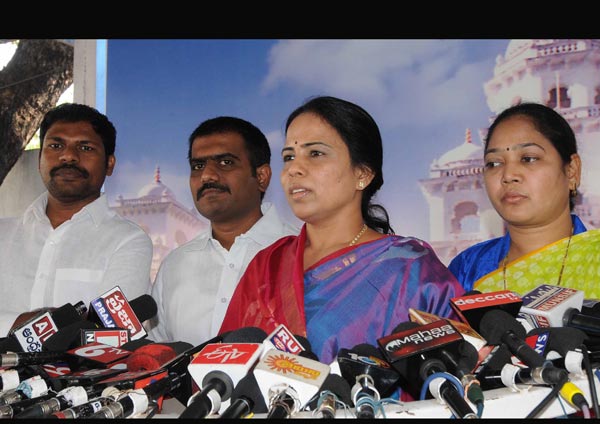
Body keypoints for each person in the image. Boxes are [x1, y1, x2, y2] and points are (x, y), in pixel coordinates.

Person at [218, 96, 463, 366]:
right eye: (288, 157)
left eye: (315, 153)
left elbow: (453, 371)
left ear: (362, 174)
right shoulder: (268, 264)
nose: (293, 169)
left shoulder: (409, 268)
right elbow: (223, 364)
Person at [0, 103, 153, 335]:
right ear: (40, 158)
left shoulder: (128, 241)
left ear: (109, 164)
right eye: (56, 145)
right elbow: (79, 328)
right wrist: (42, 322)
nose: (68, 156)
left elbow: (113, 335)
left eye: (85, 147)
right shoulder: (3, 234)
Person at [147, 116, 299, 346]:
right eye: (198, 166)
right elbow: (160, 355)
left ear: (261, 177)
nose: (207, 175)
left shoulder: (302, 252)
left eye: (226, 163)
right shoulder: (175, 265)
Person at [448, 102, 600, 298]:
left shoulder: (595, 258)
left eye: (528, 158)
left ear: (572, 171)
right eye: (494, 163)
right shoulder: (468, 268)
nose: (508, 175)